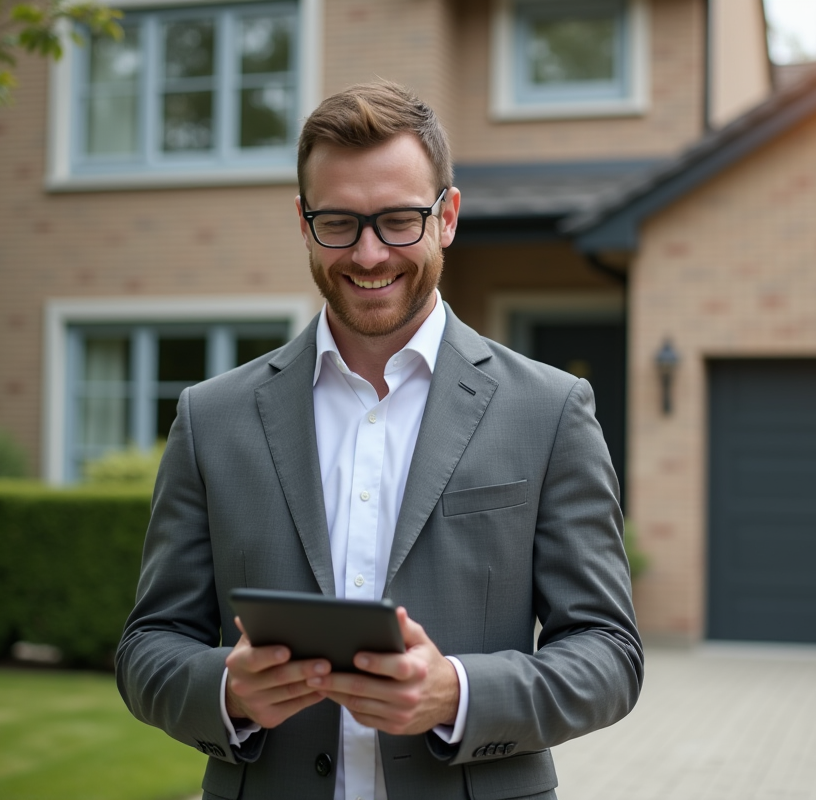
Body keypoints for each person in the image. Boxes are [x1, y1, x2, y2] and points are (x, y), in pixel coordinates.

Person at [116, 80, 643, 800]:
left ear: (447, 217)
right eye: (338, 222)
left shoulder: (549, 410)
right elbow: (148, 646)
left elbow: (610, 654)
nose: (368, 256)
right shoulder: (212, 417)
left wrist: (456, 693)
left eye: (398, 220)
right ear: (302, 223)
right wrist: (227, 692)